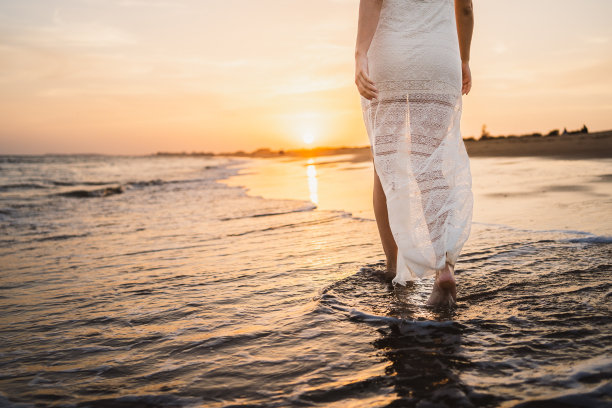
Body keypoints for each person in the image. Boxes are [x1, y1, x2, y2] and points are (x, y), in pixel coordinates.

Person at [355, 0, 474, 307]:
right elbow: (466, 9)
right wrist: (465, 60)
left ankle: (395, 270)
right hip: (439, 58)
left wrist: (359, 55)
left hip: (389, 58)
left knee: (385, 168)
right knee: (433, 166)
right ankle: (444, 270)